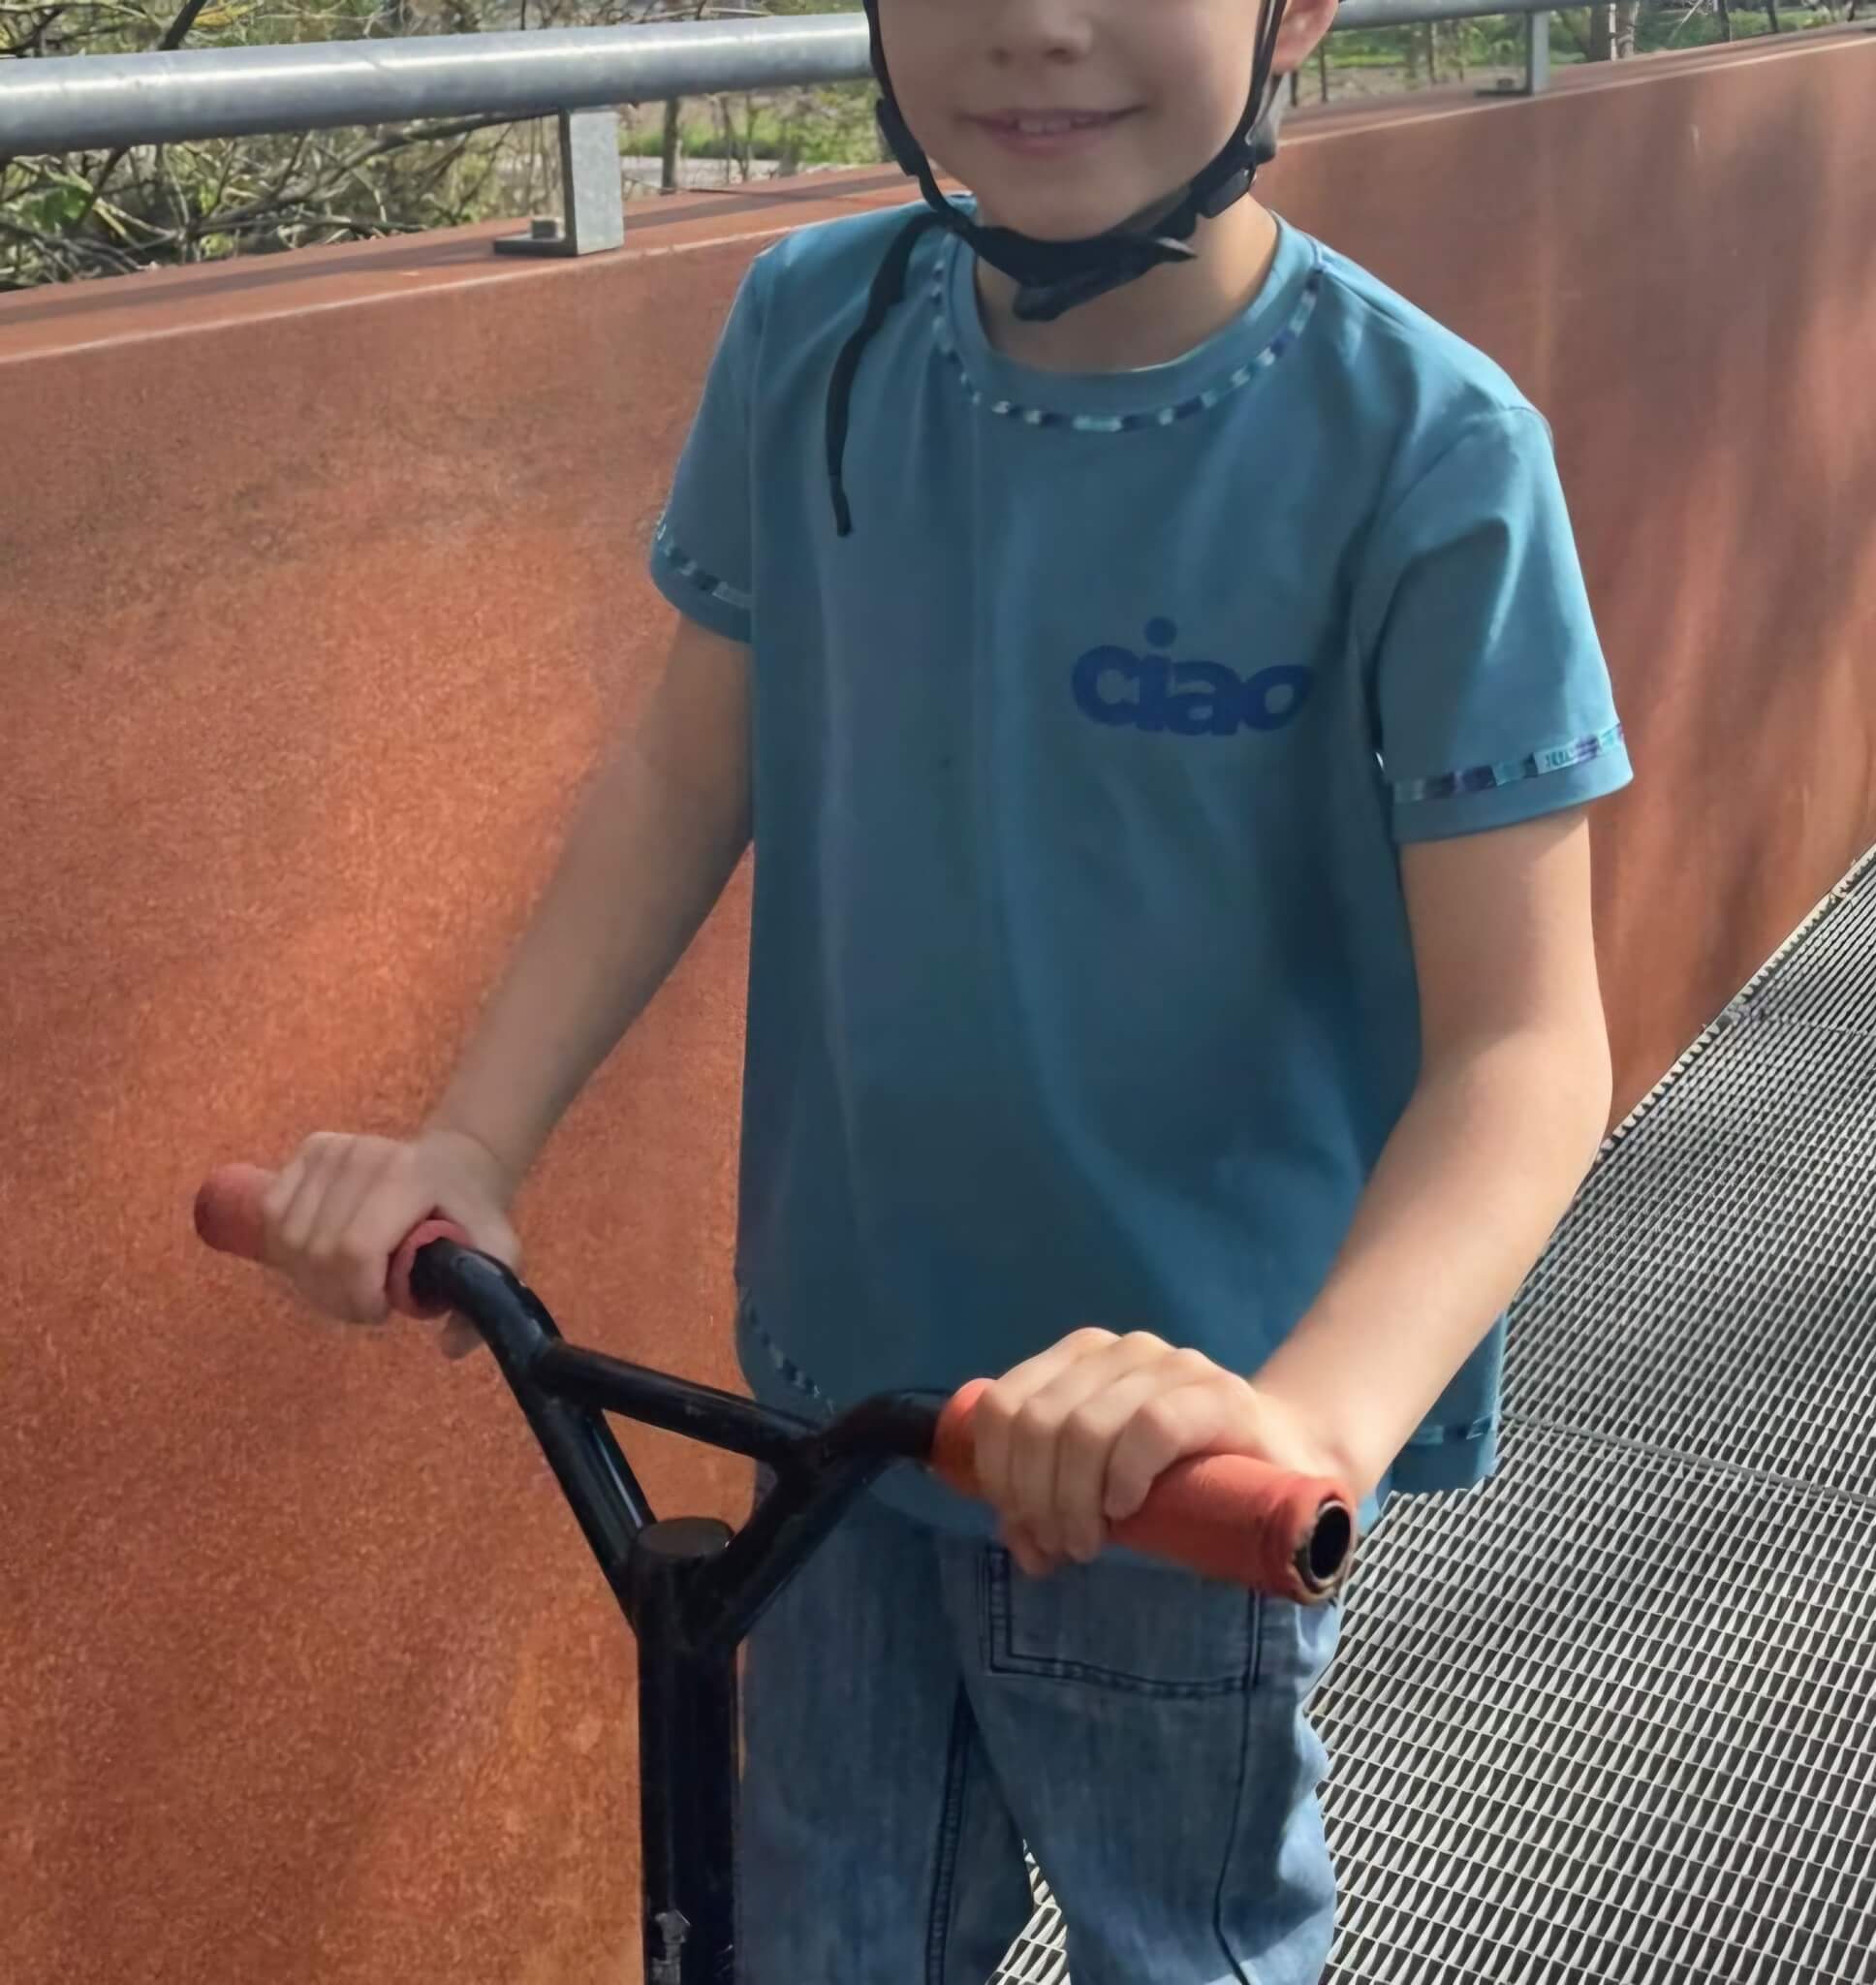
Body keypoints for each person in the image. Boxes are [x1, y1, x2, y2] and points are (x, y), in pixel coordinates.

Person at [255, 1, 1631, 1978]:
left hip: (1166, 1459)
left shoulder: (1424, 450)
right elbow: (685, 773)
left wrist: (1302, 1417)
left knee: (1181, 1940)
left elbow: (1524, 1045)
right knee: (821, 1937)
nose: (1037, 26)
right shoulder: (809, 332)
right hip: (837, 1408)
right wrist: (468, 1140)